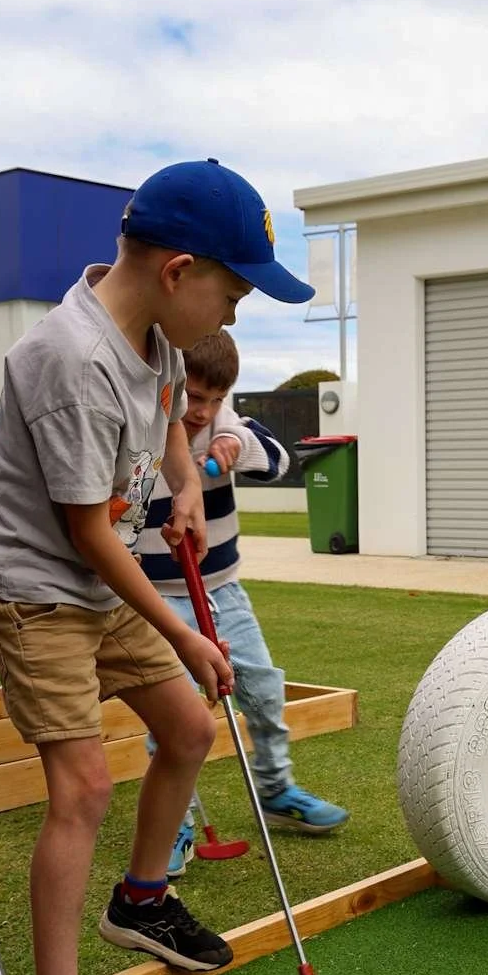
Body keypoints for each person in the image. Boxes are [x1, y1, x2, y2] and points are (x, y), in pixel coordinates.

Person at [0, 158, 315, 975]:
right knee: (80, 786)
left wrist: (189, 483)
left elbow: (165, 421)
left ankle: (142, 901)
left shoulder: (153, 340)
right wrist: (187, 635)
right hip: (34, 588)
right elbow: (86, 535)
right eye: (234, 293)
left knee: (191, 730)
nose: (234, 314)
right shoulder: (70, 362)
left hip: (93, 576)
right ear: (179, 270)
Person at [137, 329, 348, 877]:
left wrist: (233, 445)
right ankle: (173, 824)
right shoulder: (139, 438)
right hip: (159, 600)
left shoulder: (227, 429)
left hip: (223, 590)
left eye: (214, 399)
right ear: (171, 387)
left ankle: (277, 790)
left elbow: (277, 461)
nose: (202, 412)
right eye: (192, 399)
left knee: (263, 687)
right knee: (175, 716)